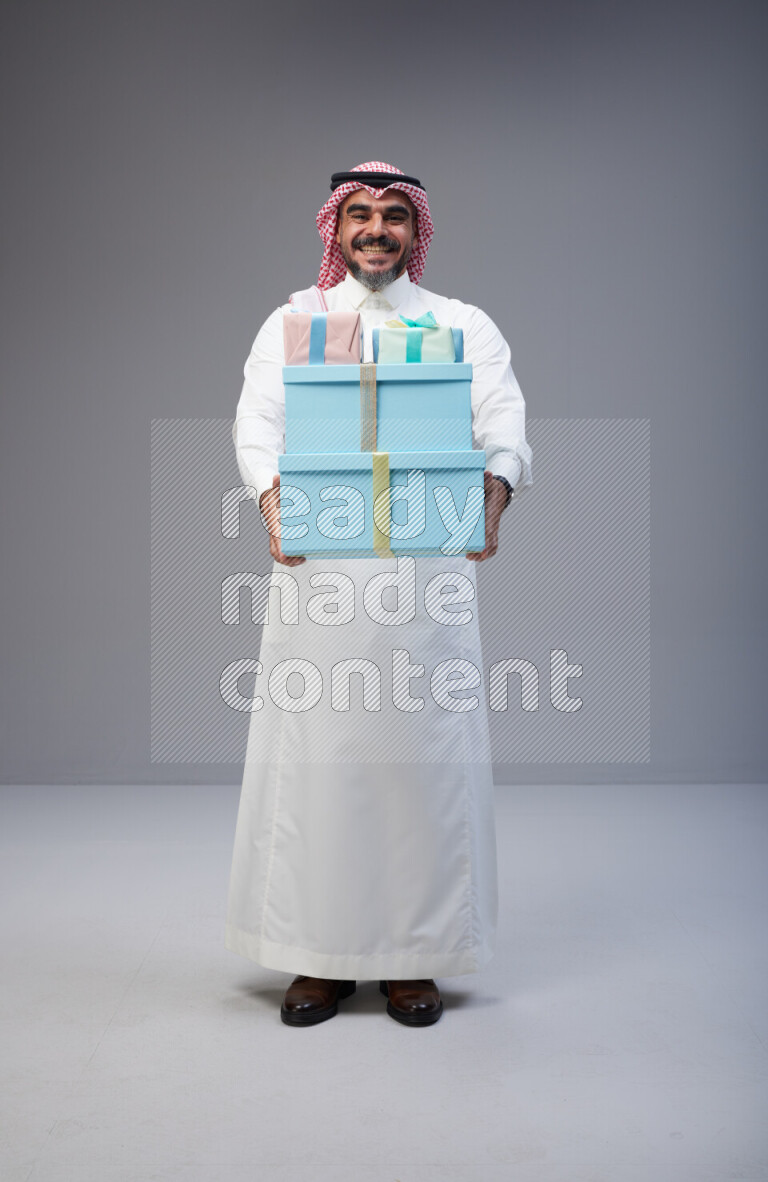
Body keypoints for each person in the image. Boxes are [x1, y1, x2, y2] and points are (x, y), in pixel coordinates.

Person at [226, 161, 532, 1027]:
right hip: (319, 574)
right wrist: (275, 505)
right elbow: (258, 422)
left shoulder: (459, 324)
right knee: (323, 765)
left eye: (394, 216)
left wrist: (495, 494)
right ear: (335, 226)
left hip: (425, 576)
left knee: (419, 766)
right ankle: (318, 959)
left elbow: (500, 419)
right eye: (359, 214)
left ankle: (413, 958)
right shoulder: (296, 321)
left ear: (415, 230)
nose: (376, 230)